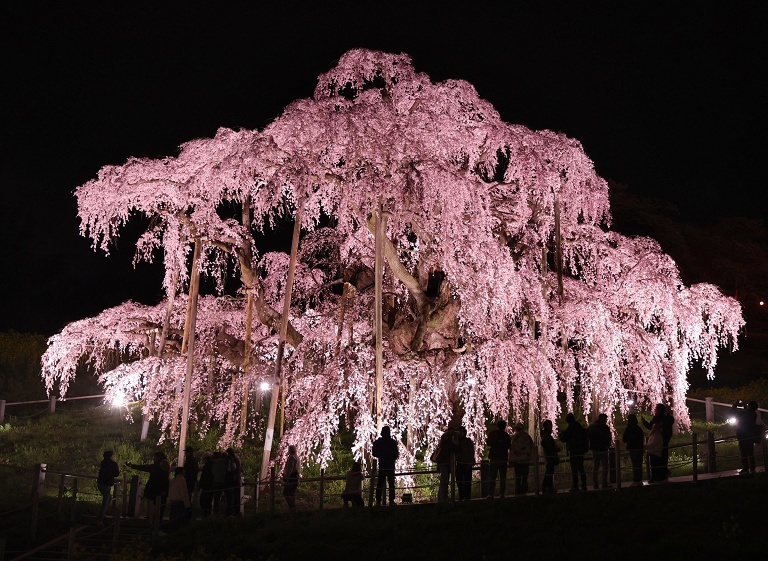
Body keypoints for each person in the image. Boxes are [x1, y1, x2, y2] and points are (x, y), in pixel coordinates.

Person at [127, 451, 170, 528]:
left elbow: (144, 467)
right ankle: (156, 524)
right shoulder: (165, 468)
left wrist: (132, 465)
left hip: (153, 490)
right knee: (159, 508)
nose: (153, 458)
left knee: (153, 507)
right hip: (161, 491)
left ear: (158, 458)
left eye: (154, 457)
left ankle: (153, 524)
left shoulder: (155, 467)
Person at [642, 403, 673, 480]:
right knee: (663, 459)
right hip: (664, 441)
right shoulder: (666, 419)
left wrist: (644, 422)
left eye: (656, 409)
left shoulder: (657, 418)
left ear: (659, 410)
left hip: (658, 442)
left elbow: (650, 427)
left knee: (655, 460)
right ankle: (663, 475)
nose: (655, 410)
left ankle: (656, 476)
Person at [559, 413, 589, 492]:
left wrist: (561, 435)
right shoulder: (580, 428)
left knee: (574, 469)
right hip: (580, 451)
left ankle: (575, 485)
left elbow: (564, 439)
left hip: (573, 451)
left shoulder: (570, 429)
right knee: (581, 468)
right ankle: (584, 485)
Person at [372, 426, 399, 505]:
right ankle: (391, 501)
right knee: (391, 484)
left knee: (380, 484)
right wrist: (391, 457)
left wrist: (380, 455)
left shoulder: (378, 442)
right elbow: (396, 454)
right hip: (390, 465)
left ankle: (378, 501)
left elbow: (374, 453)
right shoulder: (392, 442)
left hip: (382, 465)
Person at [433, 424, 459, 502]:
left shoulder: (444, 440)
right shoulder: (447, 440)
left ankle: (442, 496)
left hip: (444, 462)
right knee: (444, 479)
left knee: (444, 479)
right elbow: (454, 448)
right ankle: (443, 496)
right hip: (446, 462)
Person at [486, 420, 511, 498]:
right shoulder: (506, 436)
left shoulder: (493, 434)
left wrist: (495, 443)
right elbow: (508, 446)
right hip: (503, 457)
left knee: (492, 476)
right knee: (502, 476)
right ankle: (501, 493)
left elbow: (488, 443)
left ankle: (491, 493)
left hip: (494, 457)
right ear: (504, 426)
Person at [588, 413, 612, 490]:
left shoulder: (592, 427)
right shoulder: (605, 428)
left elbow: (587, 436)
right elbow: (609, 438)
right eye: (605, 419)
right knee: (605, 466)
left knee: (596, 466)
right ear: (603, 419)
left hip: (595, 449)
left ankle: (595, 483)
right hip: (603, 448)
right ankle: (604, 483)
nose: (606, 421)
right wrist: (608, 445)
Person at [734, 400, 758, 475]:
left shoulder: (745, 413)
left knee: (743, 453)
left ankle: (745, 468)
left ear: (749, 406)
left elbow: (736, 414)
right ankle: (752, 468)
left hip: (742, 435)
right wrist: (745, 408)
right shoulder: (754, 414)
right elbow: (748, 414)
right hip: (749, 436)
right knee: (750, 453)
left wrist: (735, 405)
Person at [96, 450, 119, 525]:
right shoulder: (113, 464)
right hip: (107, 484)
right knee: (105, 501)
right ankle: (100, 519)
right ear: (111, 456)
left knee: (108, 498)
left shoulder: (103, 462)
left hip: (101, 483)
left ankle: (102, 514)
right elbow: (116, 474)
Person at [509, 422, 534, 495]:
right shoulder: (527, 437)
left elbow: (512, 449)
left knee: (518, 477)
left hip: (517, 460)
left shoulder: (514, 437)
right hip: (525, 460)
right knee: (525, 477)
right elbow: (531, 448)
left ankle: (518, 491)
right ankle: (524, 491)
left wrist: (511, 459)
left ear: (516, 429)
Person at [621, 414, 645, 486]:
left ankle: (635, 480)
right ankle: (639, 480)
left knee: (635, 464)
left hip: (633, 448)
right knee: (639, 464)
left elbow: (624, 439)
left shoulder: (629, 428)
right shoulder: (638, 428)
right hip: (639, 448)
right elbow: (642, 438)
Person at [539, 420, 560, 493]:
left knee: (549, 471)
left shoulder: (545, 435)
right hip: (550, 456)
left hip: (549, 455)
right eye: (550, 425)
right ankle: (547, 487)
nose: (551, 426)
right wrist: (554, 449)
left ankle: (547, 487)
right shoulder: (547, 435)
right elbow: (547, 445)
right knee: (549, 472)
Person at [456, 426, 475, 501]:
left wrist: (471, 461)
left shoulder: (468, 441)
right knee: (459, 480)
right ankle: (462, 495)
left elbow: (471, 451)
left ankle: (467, 496)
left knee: (467, 480)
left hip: (466, 463)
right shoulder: (457, 441)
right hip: (459, 463)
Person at [225, 447, 243, 516]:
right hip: (237, 479)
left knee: (231, 497)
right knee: (236, 496)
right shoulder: (237, 459)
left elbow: (230, 469)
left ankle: (231, 512)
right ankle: (236, 511)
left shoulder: (230, 459)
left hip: (232, 480)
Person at [282, 444, 300, 512]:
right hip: (296, 476)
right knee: (291, 493)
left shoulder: (292, 457)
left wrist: (286, 477)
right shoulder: (297, 457)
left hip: (291, 477)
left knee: (286, 492)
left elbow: (290, 468)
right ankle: (293, 508)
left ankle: (292, 507)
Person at [198, 454, 215, 518]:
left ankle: (206, 514)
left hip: (206, 486)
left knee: (204, 500)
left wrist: (200, 484)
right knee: (208, 500)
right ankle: (207, 514)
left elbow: (204, 476)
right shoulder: (213, 464)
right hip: (211, 485)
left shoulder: (207, 466)